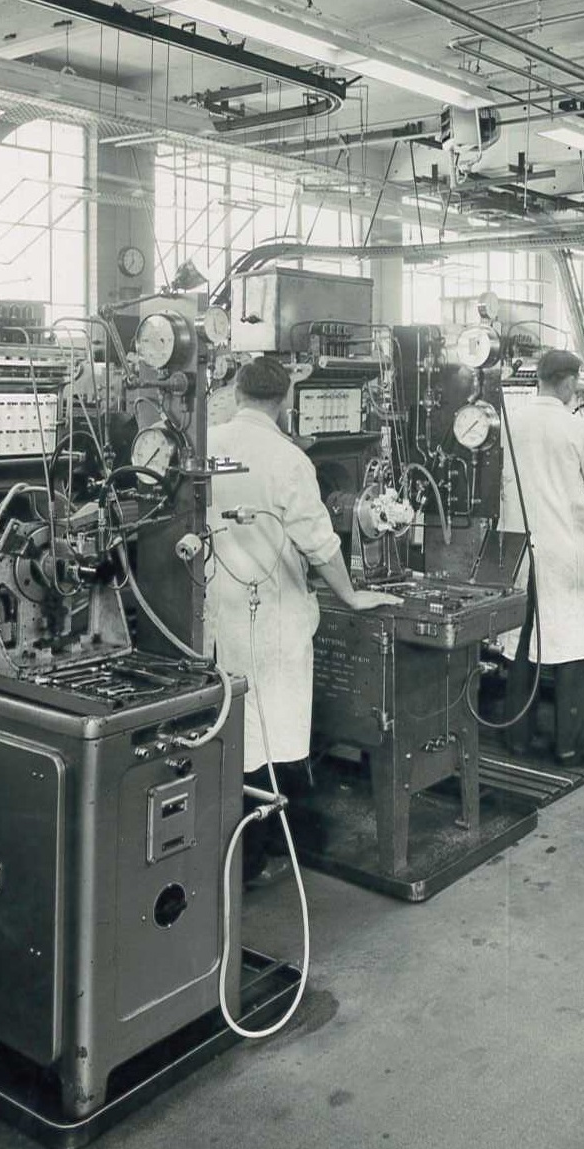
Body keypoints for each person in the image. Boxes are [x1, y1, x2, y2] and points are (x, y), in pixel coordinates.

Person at [205, 356, 401, 883]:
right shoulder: (287, 459)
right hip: (272, 615)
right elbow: (319, 542)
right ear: (286, 401)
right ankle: (260, 856)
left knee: (231, 734)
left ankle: (233, 857)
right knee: (274, 737)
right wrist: (353, 596)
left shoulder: (208, 443)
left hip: (214, 610)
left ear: (236, 391)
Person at [499, 348, 584, 764]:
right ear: (569, 382)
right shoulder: (578, 428)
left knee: (520, 642)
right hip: (560, 551)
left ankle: (517, 739)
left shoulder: (510, 422)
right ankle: (570, 744)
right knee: (568, 646)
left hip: (519, 551)